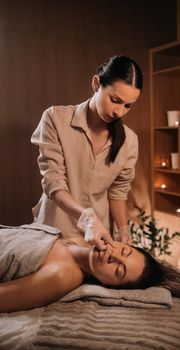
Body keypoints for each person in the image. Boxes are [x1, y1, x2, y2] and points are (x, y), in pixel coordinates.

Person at [31, 55, 143, 250]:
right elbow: (53, 182)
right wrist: (86, 217)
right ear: (96, 83)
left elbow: (118, 191)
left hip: (98, 238)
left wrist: (123, 229)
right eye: (115, 100)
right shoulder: (55, 119)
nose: (119, 112)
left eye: (128, 106)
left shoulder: (130, 141)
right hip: (54, 233)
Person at [0, 223, 180, 325]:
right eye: (124, 251)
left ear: (108, 286)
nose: (113, 256)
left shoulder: (62, 277)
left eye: (119, 270)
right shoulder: (77, 239)